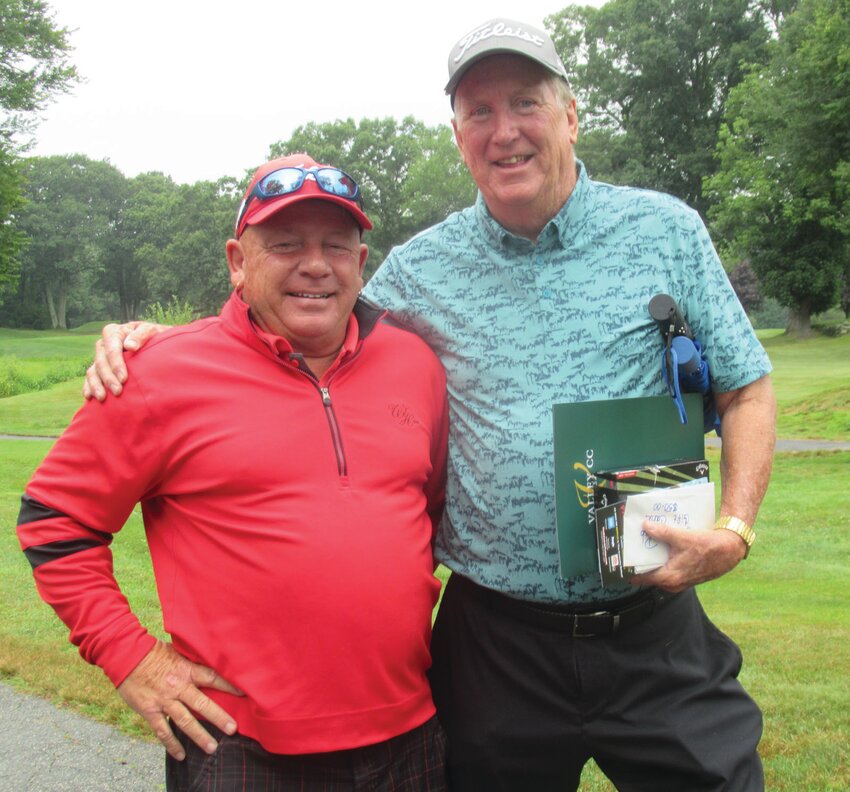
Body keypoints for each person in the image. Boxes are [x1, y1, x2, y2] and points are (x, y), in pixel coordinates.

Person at [84, 18, 777, 792]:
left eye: (525, 103)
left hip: (654, 625)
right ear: (458, 137)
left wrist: (735, 530)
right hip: (497, 642)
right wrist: (169, 342)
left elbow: (744, 387)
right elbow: (304, 310)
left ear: (571, 115)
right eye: (480, 112)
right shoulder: (420, 270)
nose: (504, 130)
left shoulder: (664, 231)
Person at [17, 154, 449, 791]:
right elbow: (55, 523)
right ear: (238, 263)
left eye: (336, 244)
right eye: (284, 244)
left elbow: (427, 512)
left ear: (361, 264)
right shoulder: (157, 374)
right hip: (241, 746)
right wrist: (131, 658)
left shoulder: (415, 363)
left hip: (409, 735)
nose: (314, 264)